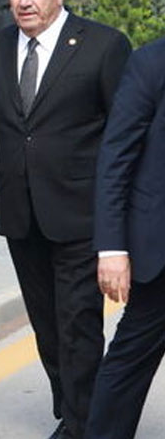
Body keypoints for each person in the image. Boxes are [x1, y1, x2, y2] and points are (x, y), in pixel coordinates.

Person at [0, 0, 131, 439]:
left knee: (78, 324)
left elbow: (124, 137)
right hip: (22, 215)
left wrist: (124, 222)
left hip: (82, 215)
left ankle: (82, 424)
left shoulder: (102, 46)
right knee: (48, 326)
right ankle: (74, 407)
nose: (24, 2)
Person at [85, 35, 165, 438]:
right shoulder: (151, 62)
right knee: (128, 365)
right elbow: (116, 158)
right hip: (160, 251)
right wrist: (113, 247)